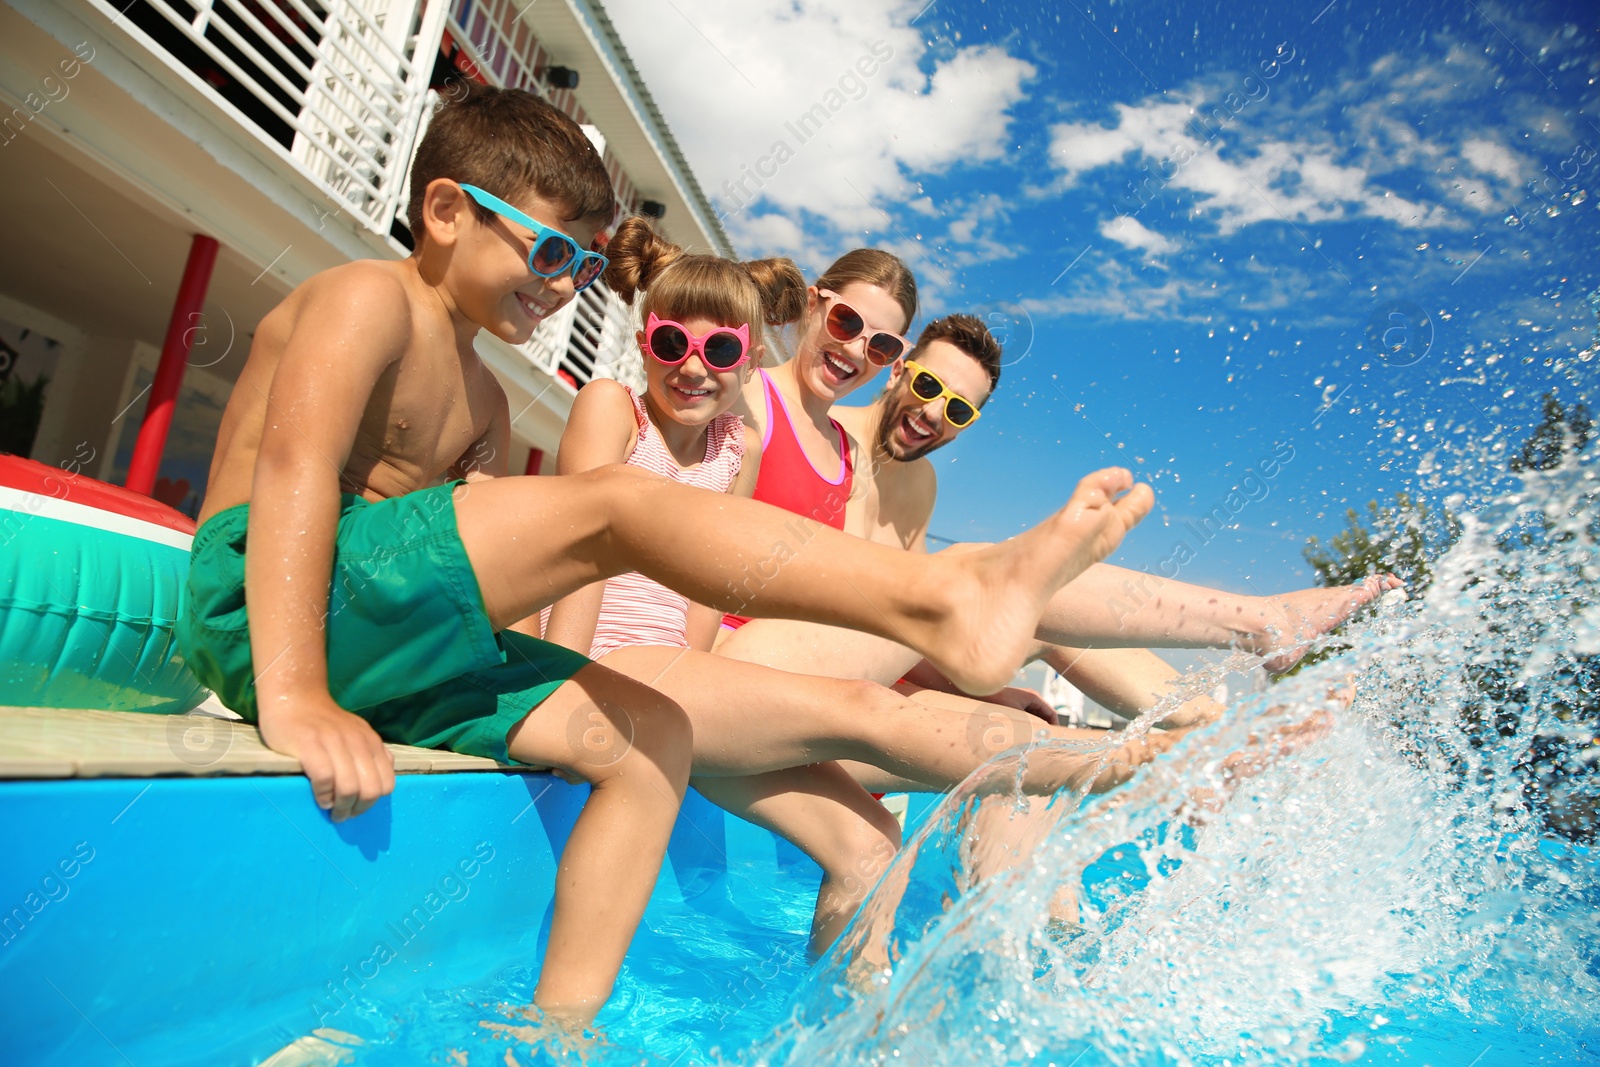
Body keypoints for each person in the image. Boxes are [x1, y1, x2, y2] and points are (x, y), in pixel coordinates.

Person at [174, 86, 1153, 1023]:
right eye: (551, 249)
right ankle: (941, 595)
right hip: (262, 610)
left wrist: (505, 674)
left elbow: (461, 568)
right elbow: (295, 475)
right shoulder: (366, 301)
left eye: (582, 266)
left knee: (653, 738)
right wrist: (296, 691)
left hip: (383, 636)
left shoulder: (484, 396)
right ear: (442, 210)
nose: (562, 284)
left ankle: (556, 1032)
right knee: (611, 506)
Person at [534, 218, 1197, 954]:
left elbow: (786, 603)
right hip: (733, 677)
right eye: (847, 323)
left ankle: (1047, 948)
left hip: (739, 678)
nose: (858, 352)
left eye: (957, 408)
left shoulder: (859, 462)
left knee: (992, 785)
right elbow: (612, 549)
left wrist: (984, 688)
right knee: (978, 592)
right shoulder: (744, 411)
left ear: (895, 357)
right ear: (815, 305)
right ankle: (1182, 721)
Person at [713, 256, 1401, 777]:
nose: (932, 413)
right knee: (1006, 574)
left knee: (1025, 722)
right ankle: (1260, 625)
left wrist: (993, 689)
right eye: (926, 385)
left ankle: (1207, 736)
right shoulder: (770, 413)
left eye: (957, 409)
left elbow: (895, 629)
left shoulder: (897, 479)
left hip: (832, 671)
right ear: (896, 369)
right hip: (748, 677)